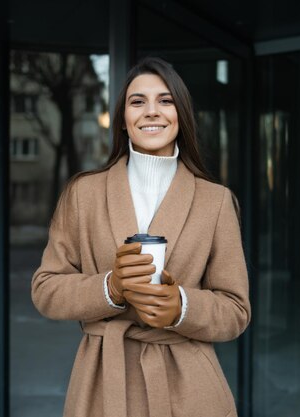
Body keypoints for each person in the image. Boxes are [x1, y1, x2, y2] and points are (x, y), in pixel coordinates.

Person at [32, 57, 250, 417]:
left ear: (181, 115)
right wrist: (109, 289)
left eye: (165, 101)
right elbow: (45, 289)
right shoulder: (83, 194)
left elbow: (236, 311)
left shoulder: (216, 201)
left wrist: (182, 306)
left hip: (190, 390)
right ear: (122, 120)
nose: (152, 111)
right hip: (102, 386)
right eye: (138, 102)